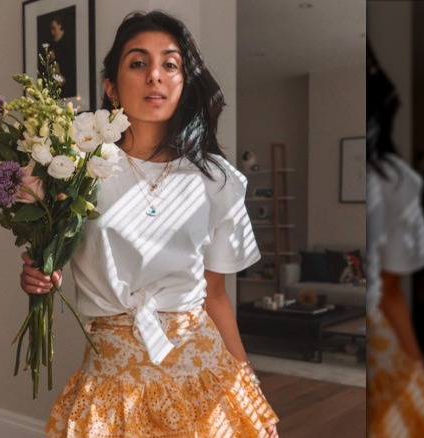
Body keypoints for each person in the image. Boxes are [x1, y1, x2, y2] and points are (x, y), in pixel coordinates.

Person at [20, 11, 279, 437]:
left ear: (184, 82)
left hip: (203, 373)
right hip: (111, 384)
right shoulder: (75, 167)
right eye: (138, 63)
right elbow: (52, 260)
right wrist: (39, 273)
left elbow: (215, 295)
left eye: (170, 64)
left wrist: (248, 387)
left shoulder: (216, 179)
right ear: (111, 86)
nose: (154, 76)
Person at [366, 42, 424, 437]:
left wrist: (422, 381)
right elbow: (390, 293)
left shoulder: (396, 180)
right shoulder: (395, 180)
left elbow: (390, 293)